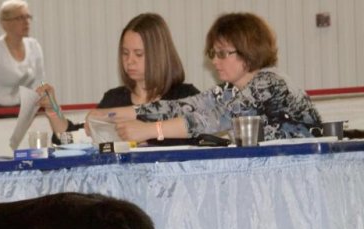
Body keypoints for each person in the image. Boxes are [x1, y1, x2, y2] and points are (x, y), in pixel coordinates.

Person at [85, 12, 322, 143]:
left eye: (222, 54)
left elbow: (212, 120)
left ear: (248, 51)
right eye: (213, 53)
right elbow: (183, 106)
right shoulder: (231, 89)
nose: (215, 61)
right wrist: (109, 114)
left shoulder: (269, 83)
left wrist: (149, 130)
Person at [38, 13, 199, 143]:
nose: (129, 61)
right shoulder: (114, 98)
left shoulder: (186, 95)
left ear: (159, 55)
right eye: (125, 53)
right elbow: (73, 139)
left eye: (139, 54)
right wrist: (53, 110)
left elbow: (202, 126)